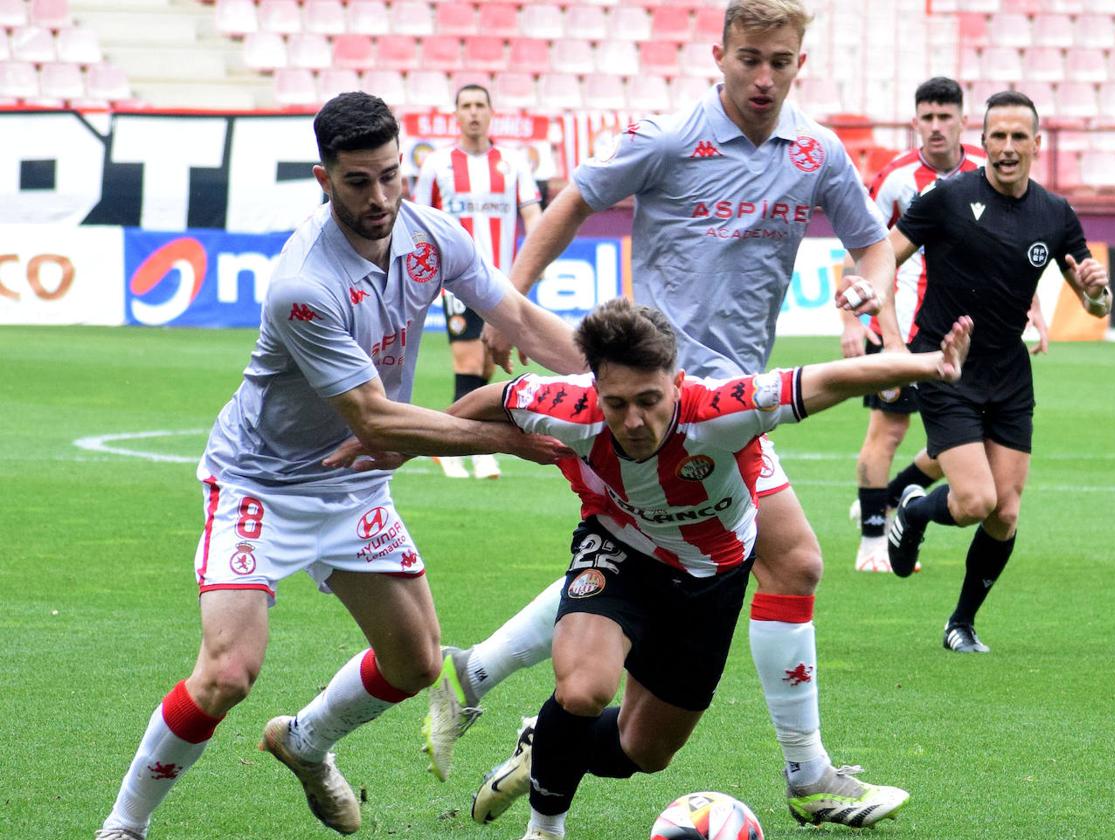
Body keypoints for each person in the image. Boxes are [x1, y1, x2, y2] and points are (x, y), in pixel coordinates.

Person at [423, 0, 909, 827]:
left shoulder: (815, 150)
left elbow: (869, 239)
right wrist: (508, 306)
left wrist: (875, 288)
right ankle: (808, 774)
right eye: (749, 58)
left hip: (724, 402)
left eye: (780, 61)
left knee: (651, 575)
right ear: (717, 54)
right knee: (791, 562)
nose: (763, 77)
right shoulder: (666, 136)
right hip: (667, 398)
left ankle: (476, 674)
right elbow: (574, 199)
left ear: (799, 61)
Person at [94, 92, 585, 840]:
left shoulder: (432, 236)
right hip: (263, 479)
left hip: (353, 484)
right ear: (323, 179)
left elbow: (514, 317)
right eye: (359, 181)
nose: (380, 197)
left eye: (391, 175)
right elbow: (374, 417)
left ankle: (304, 742)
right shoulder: (303, 285)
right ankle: (123, 827)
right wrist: (506, 438)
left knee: (417, 662)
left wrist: (609, 381)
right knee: (227, 672)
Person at [330, 298, 970, 840]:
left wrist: (929, 365)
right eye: (616, 403)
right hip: (618, 554)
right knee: (583, 689)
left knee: (645, 751)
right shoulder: (567, 405)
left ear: (677, 381)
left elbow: (830, 378)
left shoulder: (724, 410)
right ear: (595, 391)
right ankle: (544, 828)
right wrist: (399, 444)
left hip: (711, 580)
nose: (633, 421)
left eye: (649, 400)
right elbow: (494, 398)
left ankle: (541, 744)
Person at [882, 90, 1112, 653]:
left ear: (1037, 144)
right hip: (946, 364)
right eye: (997, 137)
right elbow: (882, 255)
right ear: (981, 142)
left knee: (1005, 514)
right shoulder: (946, 198)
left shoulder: (1056, 214)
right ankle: (913, 511)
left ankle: (960, 623)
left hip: (1009, 372)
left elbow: (1095, 303)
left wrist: (1098, 296)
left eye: (1019, 137)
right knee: (976, 502)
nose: (1008, 148)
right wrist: (889, 341)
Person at [844, 77, 1051, 573]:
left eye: (945, 117)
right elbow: (869, 252)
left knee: (960, 447)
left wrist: (1035, 310)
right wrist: (869, 327)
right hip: (903, 330)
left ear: (963, 122)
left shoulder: (989, 170)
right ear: (915, 121)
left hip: (968, 344)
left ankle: (894, 498)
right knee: (887, 434)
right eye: (927, 118)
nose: (935, 128)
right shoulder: (896, 177)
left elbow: (1017, 253)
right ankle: (872, 540)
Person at [413, 83, 544, 480]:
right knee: (468, 360)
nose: (473, 113)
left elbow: (532, 214)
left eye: (479, 105)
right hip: (455, 279)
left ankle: (456, 442)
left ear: (491, 112)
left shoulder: (514, 162)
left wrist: (535, 264)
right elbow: (419, 223)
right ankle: (465, 447)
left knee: (487, 362)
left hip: (501, 280)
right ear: (456, 114)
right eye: (465, 106)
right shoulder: (436, 165)